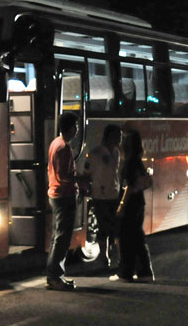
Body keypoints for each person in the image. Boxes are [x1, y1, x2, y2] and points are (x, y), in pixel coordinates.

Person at [110, 129, 155, 283]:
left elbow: (128, 186)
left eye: (123, 140)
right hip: (138, 202)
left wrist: (121, 205)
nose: (121, 142)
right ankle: (144, 272)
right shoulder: (137, 160)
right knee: (136, 236)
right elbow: (146, 182)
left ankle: (126, 272)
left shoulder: (129, 162)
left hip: (131, 203)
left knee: (127, 237)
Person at [46, 112, 81, 291]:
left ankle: (55, 275)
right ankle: (55, 277)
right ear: (70, 127)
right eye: (76, 125)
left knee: (57, 237)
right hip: (63, 195)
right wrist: (81, 179)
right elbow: (63, 176)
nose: (77, 129)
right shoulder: (63, 148)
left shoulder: (55, 143)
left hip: (56, 194)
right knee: (62, 238)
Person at [82, 124, 122, 268]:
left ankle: (112, 254)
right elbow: (87, 173)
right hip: (100, 195)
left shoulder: (117, 152)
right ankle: (103, 257)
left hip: (114, 194)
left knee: (114, 227)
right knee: (103, 226)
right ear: (109, 136)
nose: (120, 139)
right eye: (118, 136)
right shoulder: (96, 153)